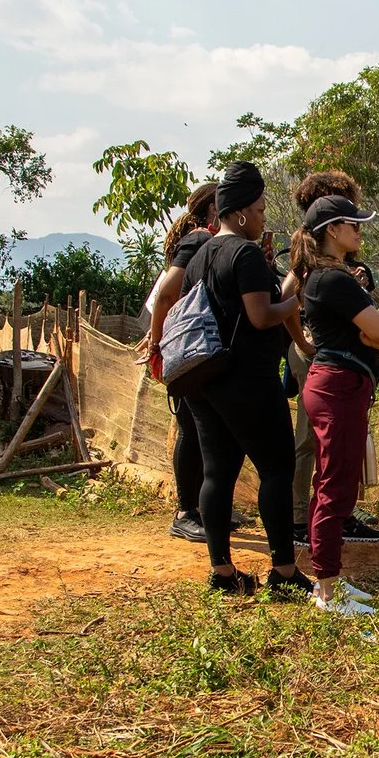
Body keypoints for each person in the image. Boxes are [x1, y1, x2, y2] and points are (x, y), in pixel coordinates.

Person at [184, 161, 307, 596]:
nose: (261, 218)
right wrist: (292, 303)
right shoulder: (244, 253)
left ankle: (222, 573)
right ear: (238, 213)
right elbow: (260, 317)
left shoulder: (200, 255)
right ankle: (285, 574)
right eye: (258, 210)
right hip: (248, 380)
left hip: (205, 379)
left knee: (217, 472)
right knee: (276, 467)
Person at [293, 196, 379, 614]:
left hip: (338, 384)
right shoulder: (334, 280)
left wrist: (367, 331)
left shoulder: (326, 277)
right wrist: (368, 332)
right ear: (332, 229)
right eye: (353, 223)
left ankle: (329, 578)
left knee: (335, 483)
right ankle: (327, 591)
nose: (359, 230)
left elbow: (375, 331)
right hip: (338, 388)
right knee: (334, 486)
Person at [283, 171, 379, 545]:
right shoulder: (318, 269)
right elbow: (285, 301)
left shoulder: (340, 267)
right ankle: (301, 521)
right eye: (349, 216)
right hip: (324, 365)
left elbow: (376, 328)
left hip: (342, 366)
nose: (358, 224)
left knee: (338, 460)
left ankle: (331, 523)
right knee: (313, 448)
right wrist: (304, 341)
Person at [138, 182, 221, 543]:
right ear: (214, 211)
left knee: (206, 430)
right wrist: (158, 342)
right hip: (187, 349)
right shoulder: (199, 239)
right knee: (190, 427)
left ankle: (205, 507)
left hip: (199, 348)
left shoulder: (205, 240)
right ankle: (185, 511)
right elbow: (167, 292)